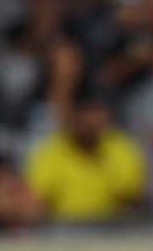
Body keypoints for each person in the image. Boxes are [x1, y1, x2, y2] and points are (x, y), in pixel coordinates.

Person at [25, 90, 146, 222]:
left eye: (96, 114)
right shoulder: (50, 150)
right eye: (83, 114)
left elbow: (130, 197)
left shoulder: (121, 147)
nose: (89, 122)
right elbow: (39, 200)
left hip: (112, 225)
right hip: (62, 225)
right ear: (71, 116)